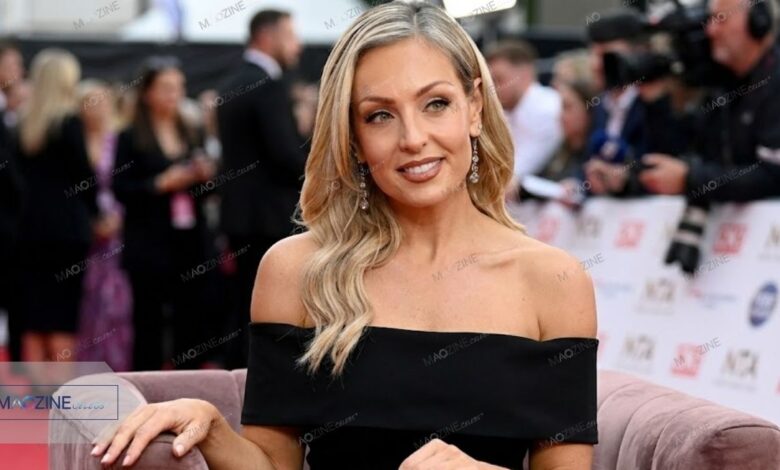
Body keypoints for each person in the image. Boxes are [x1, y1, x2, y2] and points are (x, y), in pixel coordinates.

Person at [94, 3, 598, 469]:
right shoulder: (295, 270)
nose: (413, 138)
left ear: (475, 107)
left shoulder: (552, 280)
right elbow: (274, 464)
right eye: (380, 115)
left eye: (436, 104)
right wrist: (211, 428)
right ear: (352, 138)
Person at [113, 56, 218, 371]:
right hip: (149, 244)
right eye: (167, 88)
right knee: (149, 323)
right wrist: (160, 184)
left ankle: (189, 395)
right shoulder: (129, 137)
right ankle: (145, 395)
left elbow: (208, 191)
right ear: (147, 93)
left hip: (190, 240)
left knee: (191, 319)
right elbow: (121, 190)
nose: (175, 94)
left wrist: (204, 177)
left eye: (179, 87)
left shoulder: (191, 129)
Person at [216, 9, 306, 369]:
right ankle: (259, 388)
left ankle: (236, 383)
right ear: (267, 38)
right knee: (267, 310)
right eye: (291, 36)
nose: (297, 46)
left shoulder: (231, 82)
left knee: (243, 306)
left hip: (240, 216)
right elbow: (285, 154)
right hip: (269, 219)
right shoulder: (267, 85)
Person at [638, 0, 780, 201]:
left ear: (758, 22)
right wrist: (656, 102)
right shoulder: (725, 85)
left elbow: (773, 176)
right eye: (709, 20)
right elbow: (687, 150)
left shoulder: (774, 82)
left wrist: (691, 179)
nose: (711, 31)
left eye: (721, 20)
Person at [16, 49, 97, 362]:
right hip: (67, 231)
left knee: (34, 314)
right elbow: (85, 178)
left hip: (29, 229)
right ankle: (60, 397)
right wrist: (98, 214)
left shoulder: (21, 125)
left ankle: (35, 400)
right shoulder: (69, 122)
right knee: (63, 312)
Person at [74, 80, 133, 371]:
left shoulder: (117, 140)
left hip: (117, 228)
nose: (97, 108)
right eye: (90, 101)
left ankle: (117, 363)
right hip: (86, 229)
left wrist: (118, 217)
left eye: (102, 101)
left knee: (115, 298)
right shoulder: (75, 141)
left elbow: (125, 185)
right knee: (89, 297)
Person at [485, 40, 562, 199]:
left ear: (525, 73)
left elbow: (516, 170)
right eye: (490, 82)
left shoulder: (547, 109)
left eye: (499, 79)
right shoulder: (507, 111)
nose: (493, 89)